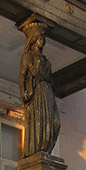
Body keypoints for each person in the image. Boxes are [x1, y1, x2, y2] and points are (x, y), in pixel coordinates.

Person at [19, 19, 60, 157]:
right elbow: (22, 74)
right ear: (33, 39)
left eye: (43, 38)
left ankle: (46, 151)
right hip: (37, 90)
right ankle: (38, 152)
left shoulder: (45, 59)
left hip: (48, 90)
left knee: (55, 123)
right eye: (40, 38)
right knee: (39, 122)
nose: (42, 41)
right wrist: (24, 91)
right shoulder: (28, 56)